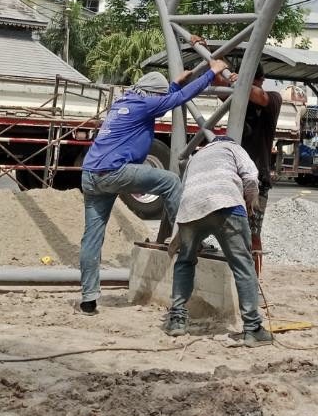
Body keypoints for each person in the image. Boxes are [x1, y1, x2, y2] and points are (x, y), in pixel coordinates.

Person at [77, 57, 230, 315]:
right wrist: (210, 73)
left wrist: (174, 84)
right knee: (170, 181)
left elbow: (161, 102)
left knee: (92, 238)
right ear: (152, 95)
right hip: (114, 171)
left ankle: (88, 299)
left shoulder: (126, 101)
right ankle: (188, 235)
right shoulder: (144, 105)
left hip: (91, 175)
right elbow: (177, 100)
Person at [163, 136, 272, 346]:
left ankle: (177, 320)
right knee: (243, 265)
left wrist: (178, 236)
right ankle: (253, 328)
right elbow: (251, 177)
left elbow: (185, 191)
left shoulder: (196, 157)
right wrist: (250, 202)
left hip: (191, 209)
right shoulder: (233, 148)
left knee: (185, 261)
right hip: (227, 204)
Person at [215, 65, 281, 273]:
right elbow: (218, 83)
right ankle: (239, 275)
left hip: (258, 179)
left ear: (260, 80)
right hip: (234, 177)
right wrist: (214, 61)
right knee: (231, 231)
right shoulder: (238, 100)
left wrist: (239, 82)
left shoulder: (273, 99)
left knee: (253, 235)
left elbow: (259, 96)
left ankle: (253, 280)